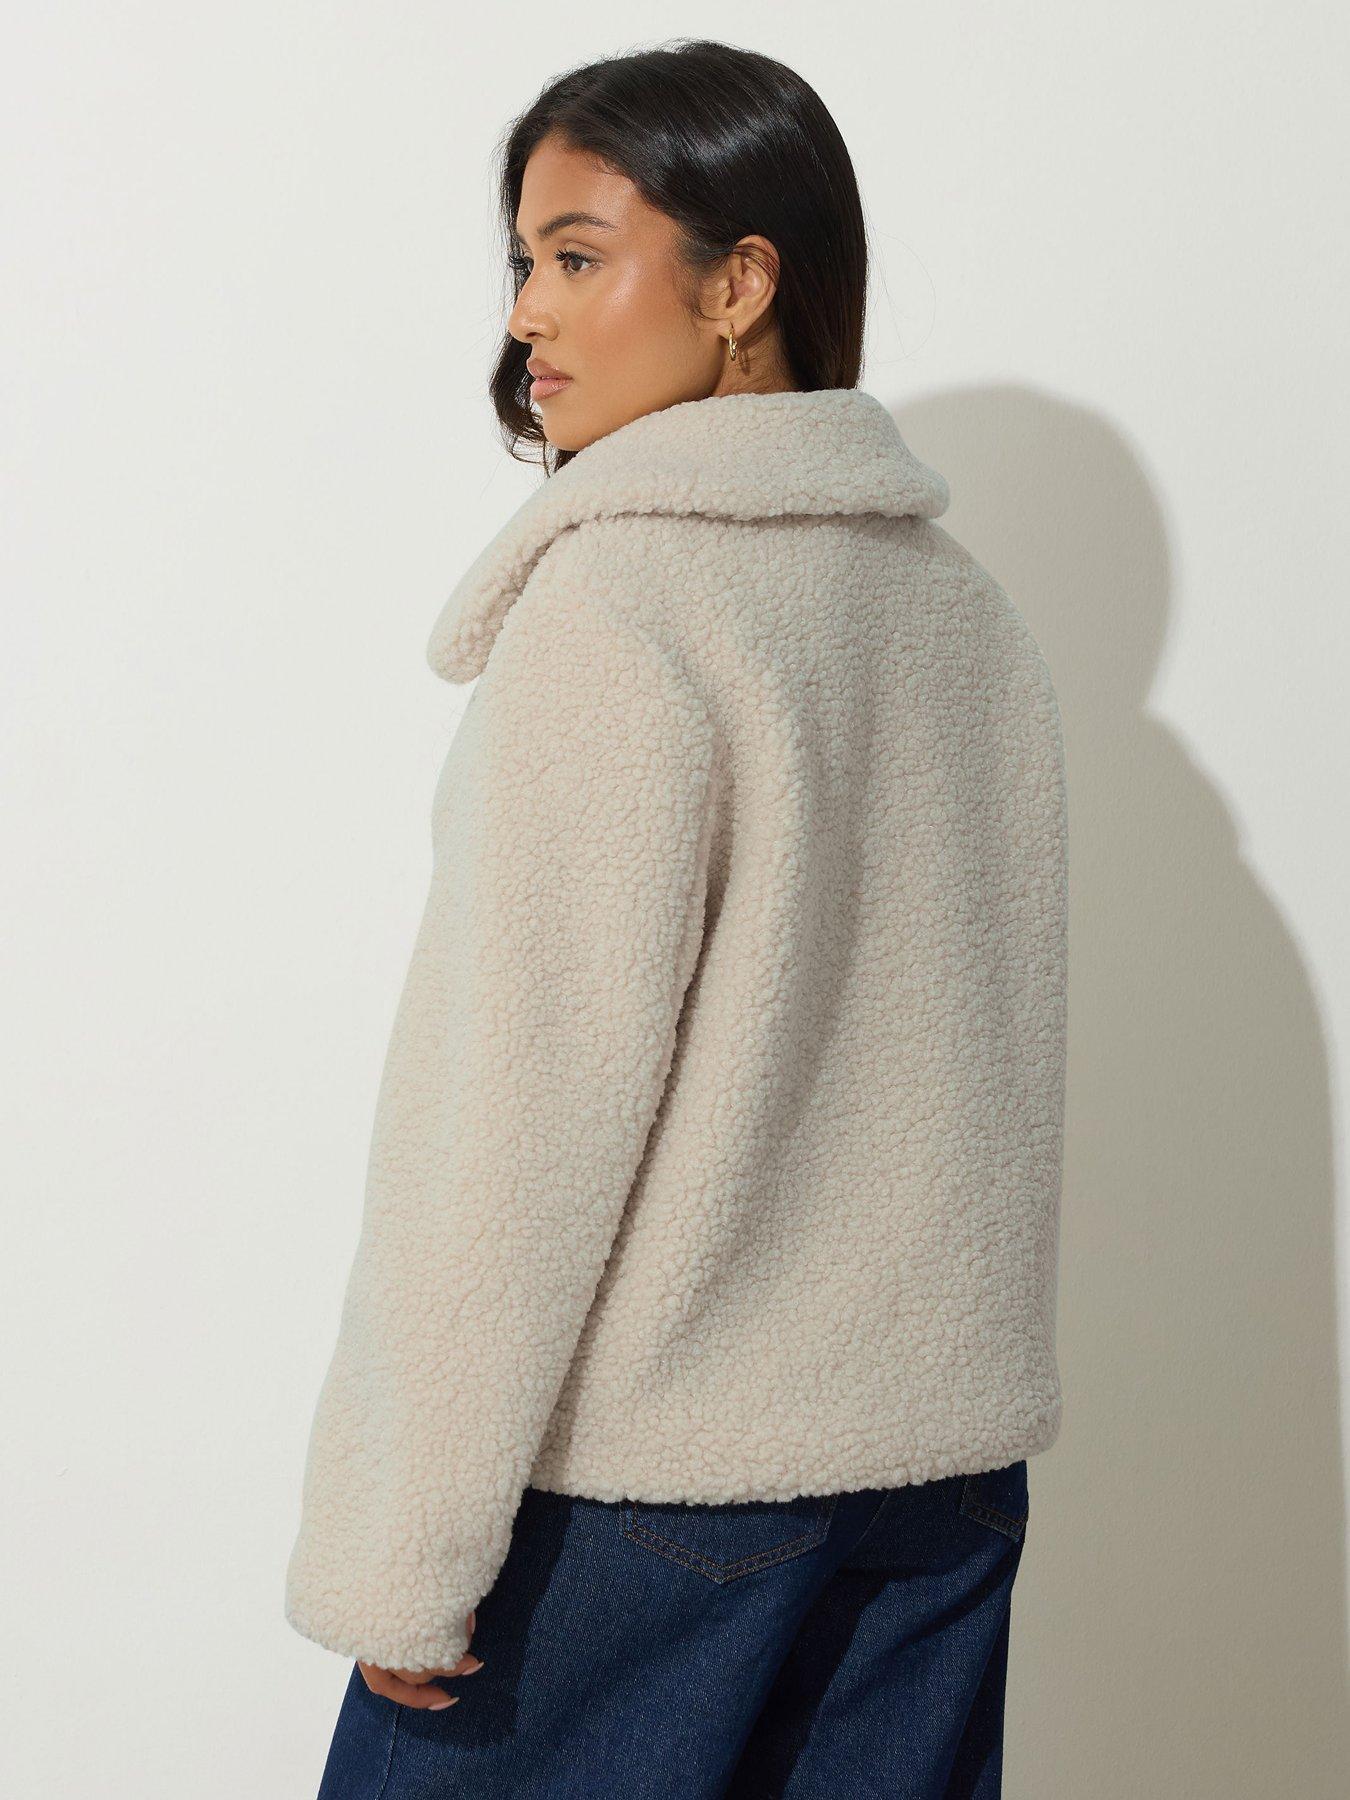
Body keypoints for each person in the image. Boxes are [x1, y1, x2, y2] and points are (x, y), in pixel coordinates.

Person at [285, 38, 1068, 1799]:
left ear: (738, 285)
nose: (527, 317)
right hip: (934, 1485)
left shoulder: (619, 610)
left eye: (577, 256)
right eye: (521, 262)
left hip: (657, 1496)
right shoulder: (960, 614)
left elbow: (511, 1125)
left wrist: (406, 1544)